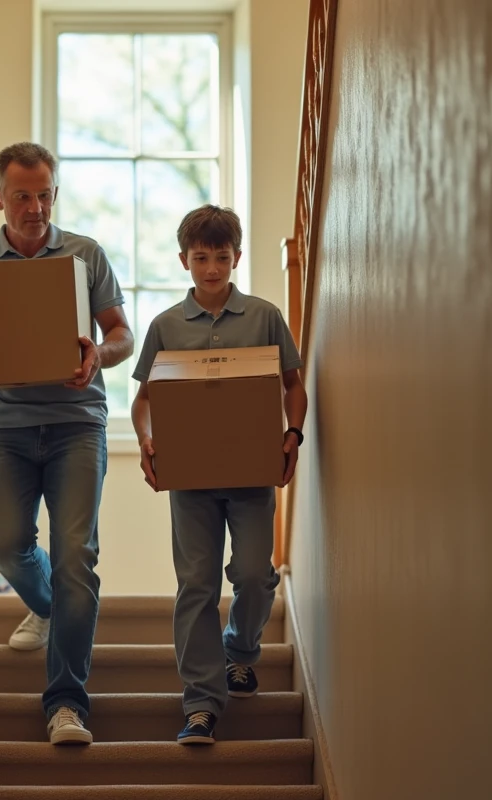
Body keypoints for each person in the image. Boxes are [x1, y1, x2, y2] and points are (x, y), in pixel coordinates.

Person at [0, 142, 134, 745]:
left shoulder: (86, 254)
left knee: (76, 557)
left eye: (45, 194)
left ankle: (67, 703)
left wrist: (99, 355)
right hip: (7, 429)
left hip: (77, 425)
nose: (36, 207)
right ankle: (46, 608)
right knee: (7, 545)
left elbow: (120, 334)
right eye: (23, 197)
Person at [129, 205, 308, 745]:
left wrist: (292, 435)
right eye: (201, 258)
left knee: (255, 575)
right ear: (184, 259)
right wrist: (145, 442)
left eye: (222, 257)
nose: (211, 268)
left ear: (236, 257)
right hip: (189, 481)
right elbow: (142, 401)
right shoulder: (165, 326)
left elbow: (292, 385)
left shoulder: (264, 316)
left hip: (253, 473)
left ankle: (241, 651)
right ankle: (202, 704)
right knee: (196, 586)